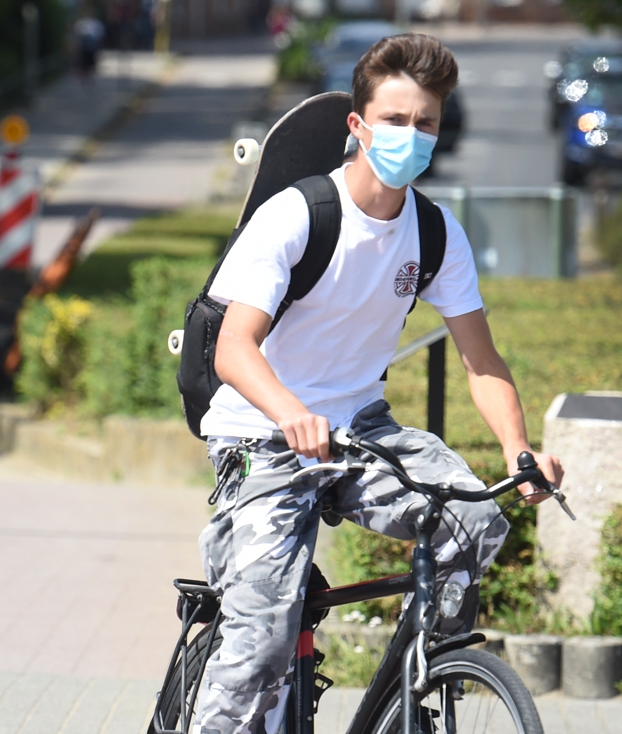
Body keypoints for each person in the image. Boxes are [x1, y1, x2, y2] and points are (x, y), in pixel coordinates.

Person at [193, 33, 564, 734]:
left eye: (426, 123)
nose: (412, 135)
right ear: (358, 126)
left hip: (360, 432)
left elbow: (480, 362)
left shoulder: (435, 232)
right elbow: (234, 350)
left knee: (472, 522)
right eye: (395, 120)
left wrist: (520, 451)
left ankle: (420, 682)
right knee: (262, 641)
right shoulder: (299, 215)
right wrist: (291, 412)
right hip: (265, 435)